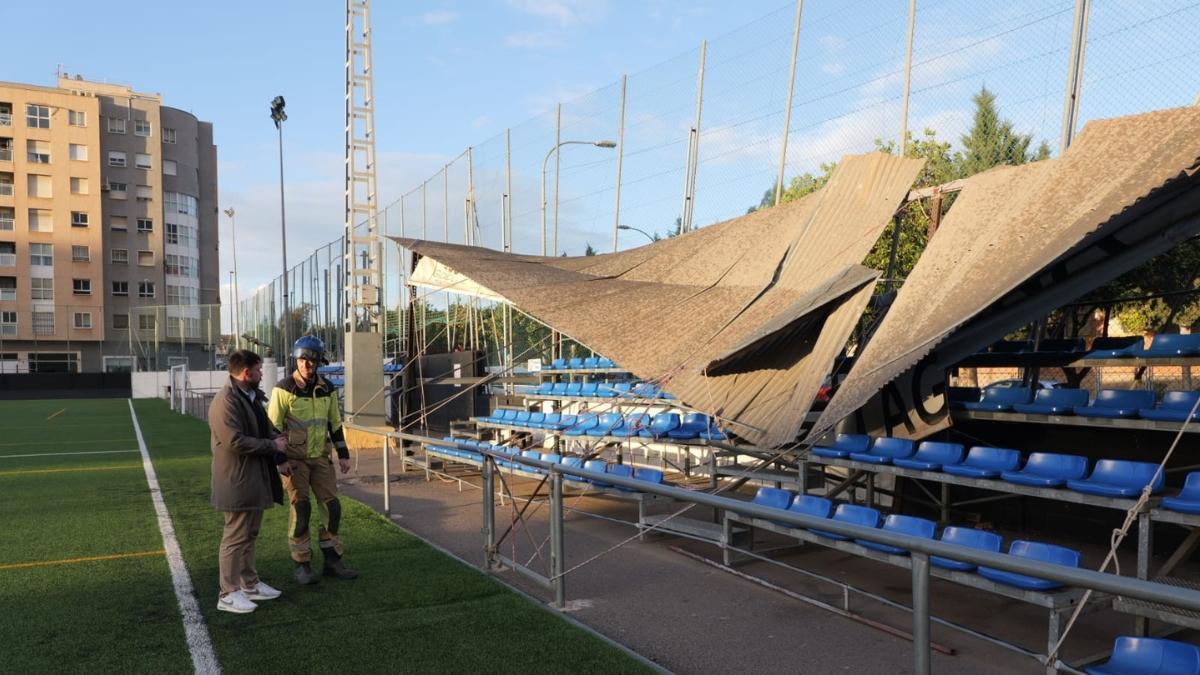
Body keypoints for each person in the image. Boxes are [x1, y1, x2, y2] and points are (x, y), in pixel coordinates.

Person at [268, 335, 358, 584]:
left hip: (321, 459)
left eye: (312, 360)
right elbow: (272, 427)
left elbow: (334, 423)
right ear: (296, 361)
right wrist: (280, 460)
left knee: (332, 507)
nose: (307, 365)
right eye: (303, 360)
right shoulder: (283, 389)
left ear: (319, 362)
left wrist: (343, 454)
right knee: (301, 510)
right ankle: (302, 564)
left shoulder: (327, 388)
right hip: (294, 462)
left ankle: (332, 560)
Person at [209, 349, 292, 614]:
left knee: (249, 533)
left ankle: (250, 584)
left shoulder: (250, 396)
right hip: (237, 479)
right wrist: (272, 444)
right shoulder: (226, 401)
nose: (261, 374)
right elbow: (234, 441)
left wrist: (278, 447)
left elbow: (265, 427)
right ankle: (228, 593)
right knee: (235, 536)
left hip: (252, 477)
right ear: (246, 373)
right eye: (258, 370)